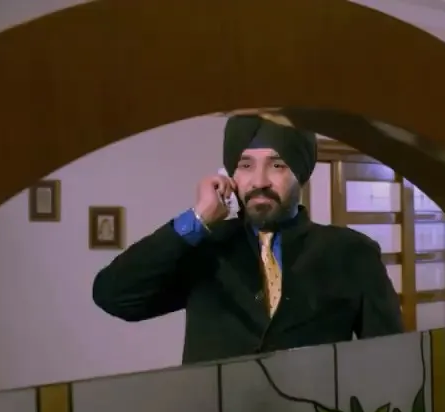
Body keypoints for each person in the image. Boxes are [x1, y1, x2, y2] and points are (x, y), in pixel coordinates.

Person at [92, 115, 404, 363]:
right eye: (245, 166)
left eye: (277, 165)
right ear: (231, 176)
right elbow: (114, 296)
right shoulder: (205, 249)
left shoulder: (352, 252)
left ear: (301, 174)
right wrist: (197, 219)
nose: (259, 181)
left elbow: (388, 361)